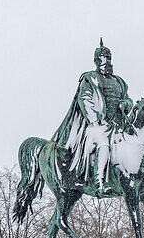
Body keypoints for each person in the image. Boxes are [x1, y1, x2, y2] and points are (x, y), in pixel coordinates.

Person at [51, 38, 134, 190]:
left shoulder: (119, 81)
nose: (107, 62)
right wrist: (95, 121)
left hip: (117, 125)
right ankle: (99, 181)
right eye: (103, 59)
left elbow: (128, 99)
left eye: (108, 58)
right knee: (104, 144)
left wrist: (126, 104)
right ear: (96, 61)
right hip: (96, 125)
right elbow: (86, 100)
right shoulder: (90, 79)